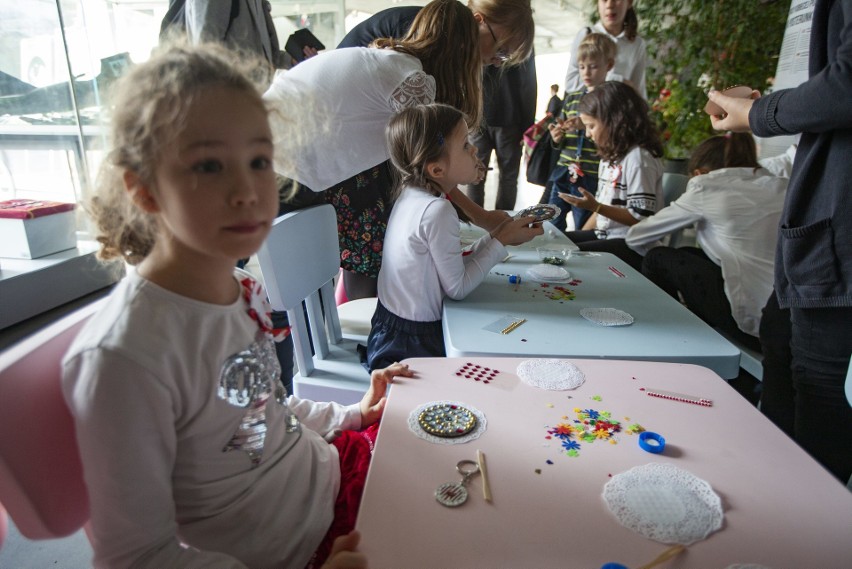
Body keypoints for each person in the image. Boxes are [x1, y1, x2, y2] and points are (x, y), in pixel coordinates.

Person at [61, 41, 414, 568]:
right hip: (297, 550)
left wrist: (351, 414)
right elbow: (137, 557)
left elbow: (261, 413)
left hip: (330, 476)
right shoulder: (124, 358)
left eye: (259, 159)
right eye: (209, 165)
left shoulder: (236, 289)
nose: (249, 189)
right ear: (144, 189)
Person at [705, 0, 851, 483]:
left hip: (835, 238)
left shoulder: (708, 188)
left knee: (818, 391)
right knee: (788, 357)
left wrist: (759, 112)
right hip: (818, 239)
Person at [327, 0, 536, 299]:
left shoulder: (430, 56)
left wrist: (485, 224)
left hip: (350, 152)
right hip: (340, 154)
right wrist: (490, 228)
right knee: (370, 242)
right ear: (478, 22)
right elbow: (457, 286)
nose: (498, 62)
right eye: (501, 50)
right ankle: (361, 310)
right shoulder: (418, 55)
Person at [365, 104, 543, 371]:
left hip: (390, 330)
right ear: (437, 170)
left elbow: (449, 267)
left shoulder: (412, 194)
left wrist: (496, 235)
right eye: (464, 145)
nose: (474, 150)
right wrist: (501, 241)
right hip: (412, 346)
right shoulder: (437, 210)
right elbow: (457, 288)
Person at [625, 133, 788, 351]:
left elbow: (636, 236)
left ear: (699, 172)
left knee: (659, 258)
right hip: (786, 315)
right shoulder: (779, 184)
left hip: (751, 321)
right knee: (688, 253)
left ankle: (671, 338)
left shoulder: (708, 186)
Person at [558, 81, 664, 271]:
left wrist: (595, 206)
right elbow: (599, 213)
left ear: (614, 121)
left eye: (591, 126)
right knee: (557, 244)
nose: (589, 135)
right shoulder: (610, 158)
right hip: (606, 235)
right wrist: (581, 233)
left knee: (569, 258)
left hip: (634, 246)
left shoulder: (638, 159)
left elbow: (640, 217)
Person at [546, 32, 616, 232]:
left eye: (593, 67)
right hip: (563, 171)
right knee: (552, 223)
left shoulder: (610, 100)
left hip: (590, 175)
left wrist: (585, 126)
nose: (586, 72)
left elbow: (611, 136)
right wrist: (556, 137)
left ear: (608, 66)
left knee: (583, 228)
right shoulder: (572, 98)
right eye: (582, 67)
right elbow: (560, 139)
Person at [564, 0, 647, 99]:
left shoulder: (637, 44)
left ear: (629, 3)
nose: (609, 5)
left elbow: (639, 89)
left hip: (619, 111)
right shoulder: (586, 35)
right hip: (589, 110)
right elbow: (571, 83)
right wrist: (618, 80)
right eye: (604, 0)